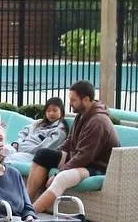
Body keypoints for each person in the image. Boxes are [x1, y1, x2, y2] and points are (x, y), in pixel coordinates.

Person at [26, 81, 118, 214]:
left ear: (86, 99)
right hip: (81, 158)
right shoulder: (82, 115)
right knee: (43, 155)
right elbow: (70, 141)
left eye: (73, 100)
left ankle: (30, 215)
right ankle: (26, 203)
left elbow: (84, 157)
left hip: (96, 166)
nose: (70, 103)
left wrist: (59, 172)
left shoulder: (98, 121)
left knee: (62, 178)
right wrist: (56, 154)